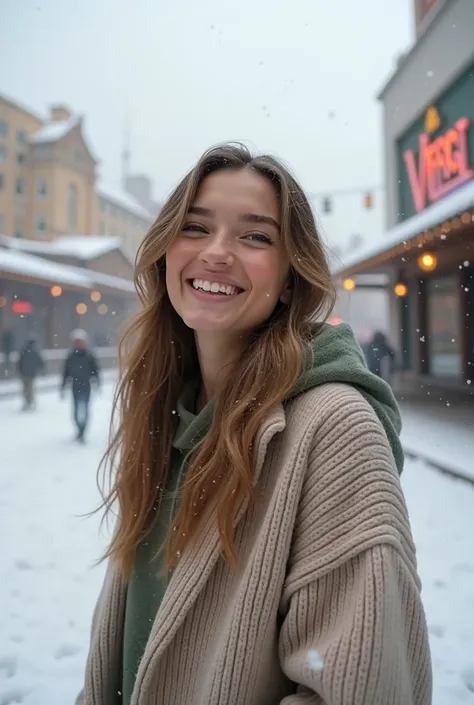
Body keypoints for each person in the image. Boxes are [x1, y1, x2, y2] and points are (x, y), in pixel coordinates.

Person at [76, 144, 432, 705]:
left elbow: (361, 688)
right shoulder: (165, 413)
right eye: (195, 228)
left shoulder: (335, 429)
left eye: (256, 236)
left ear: (292, 278)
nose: (217, 253)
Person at [61, 329, 100, 443]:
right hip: (75, 386)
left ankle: (83, 430)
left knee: (86, 409)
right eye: (77, 341)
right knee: (76, 409)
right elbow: (65, 373)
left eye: (80, 341)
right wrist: (62, 387)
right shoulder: (70, 356)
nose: (78, 344)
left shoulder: (89, 356)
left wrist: (97, 383)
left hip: (86, 386)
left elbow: (96, 371)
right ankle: (79, 429)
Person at [17, 335, 44, 410]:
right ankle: (29, 402)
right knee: (29, 388)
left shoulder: (24, 350)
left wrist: (19, 370)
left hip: (25, 373)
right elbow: (40, 361)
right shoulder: (34, 351)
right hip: (30, 373)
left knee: (26, 388)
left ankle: (28, 402)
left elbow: (20, 361)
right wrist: (39, 369)